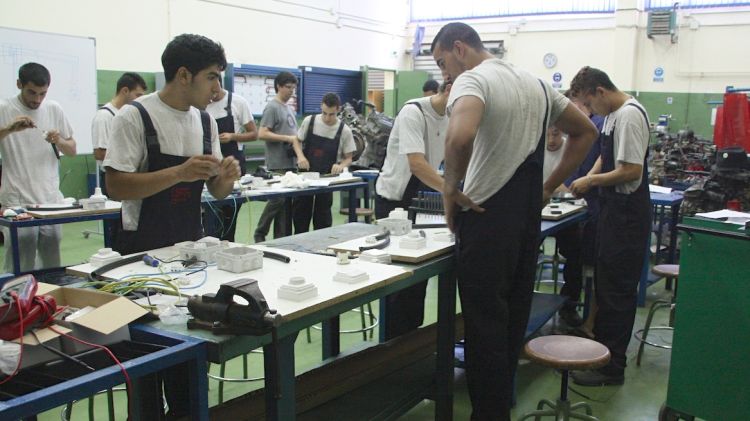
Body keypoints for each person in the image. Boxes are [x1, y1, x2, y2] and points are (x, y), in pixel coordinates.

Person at [431, 22, 597, 420]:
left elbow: (458, 138)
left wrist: (450, 191)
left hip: (486, 220)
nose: (444, 75)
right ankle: (498, 408)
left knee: (484, 328)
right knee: (511, 321)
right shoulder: (537, 85)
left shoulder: (474, 80)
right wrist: (547, 187)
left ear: (459, 48)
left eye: (442, 63)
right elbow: (586, 131)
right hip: (526, 219)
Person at [104, 33, 237, 419]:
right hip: (141, 252)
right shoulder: (135, 116)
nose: (217, 88)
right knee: (146, 360)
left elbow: (217, 190)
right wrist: (178, 172)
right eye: (212, 77)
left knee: (189, 356)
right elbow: (115, 185)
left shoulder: (205, 121)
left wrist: (226, 177)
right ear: (183, 75)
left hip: (190, 253)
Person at [569, 66, 652, 386]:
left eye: (589, 105)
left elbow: (631, 170)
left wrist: (591, 181)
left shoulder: (630, 115)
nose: (590, 112)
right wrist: (589, 175)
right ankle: (602, 355)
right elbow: (607, 155)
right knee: (605, 284)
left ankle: (612, 366)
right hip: (610, 209)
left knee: (617, 291)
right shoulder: (614, 115)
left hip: (627, 214)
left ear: (599, 92)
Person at [375, 81, 450, 340]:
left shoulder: (451, 116)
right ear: (449, 91)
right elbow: (417, 164)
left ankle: (410, 344)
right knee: (397, 281)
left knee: (418, 280)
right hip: (393, 204)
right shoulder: (413, 112)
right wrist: (454, 193)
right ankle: (391, 345)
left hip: (420, 200)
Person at [0, 62, 77, 272]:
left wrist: (58, 140)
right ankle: (15, 301)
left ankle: (48, 299)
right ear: (19, 84)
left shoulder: (53, 109)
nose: (36, 99)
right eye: (31, 92)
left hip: (50, 198)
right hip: (17, 198)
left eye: (42, 94)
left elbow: (72, 149)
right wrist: (8, 129)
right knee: (21, 259)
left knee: (52, 259)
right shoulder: (4, 109)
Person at [291, 92, 355, 233]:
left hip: (326, 179)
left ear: (338, 109)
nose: (327, 118)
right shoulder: (310, 121)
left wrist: (340, 166)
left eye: (331, 114)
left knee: (323, 218)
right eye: (324, 113)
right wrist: (301, 157)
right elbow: (296, 140)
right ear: (321, 107)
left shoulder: (344, 130)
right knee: (301, 215)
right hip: (305, 178)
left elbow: (349, 158)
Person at [205, 82, 258, 241]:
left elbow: (254, 134)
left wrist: (232, 136)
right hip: (210, 167)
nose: (211, 96)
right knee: (211, 221)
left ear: (218, 82)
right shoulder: (202, 105)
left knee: (229, 217)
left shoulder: (238, 102)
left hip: (232, 164)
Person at [254, 71, 298, 243]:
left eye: (293, 88)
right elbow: (262, 133)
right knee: (277, 200)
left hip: (290, 163)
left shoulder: (289, 109)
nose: (291, 91)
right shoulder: (272, 107)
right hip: (277, 164)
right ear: (278, 86)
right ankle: (260, 231)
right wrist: (286, 138)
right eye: (288, 87)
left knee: (285, 205)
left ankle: (281, 239)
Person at [91, 72, 147, 192]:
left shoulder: (131, 115)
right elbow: (99, 153)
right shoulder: (104, 116)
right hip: (113, 177)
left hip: (131, 176)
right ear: (125, 91)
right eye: (138, 95)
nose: (141, 100)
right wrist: (130, 158)